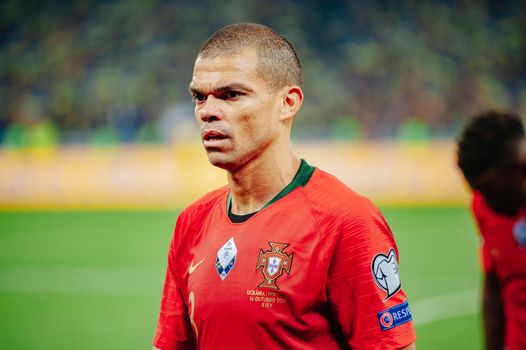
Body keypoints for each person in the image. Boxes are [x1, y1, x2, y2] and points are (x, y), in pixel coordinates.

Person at [153, 23, 416, 350]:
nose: (207, 112)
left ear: (288, 103)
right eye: (198, 97)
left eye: (231, 94)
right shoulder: (191, 223)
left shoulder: (346, 222)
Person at [457, 110, 526, 350]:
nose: (487, 203)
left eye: (493, 193)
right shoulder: (483, 206)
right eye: (480, 193)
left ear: (521, 168)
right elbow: (494, 286)